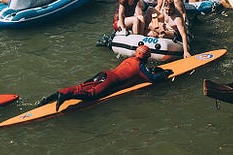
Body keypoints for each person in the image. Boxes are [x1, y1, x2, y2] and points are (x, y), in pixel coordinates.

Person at [36, 44, 169, 109]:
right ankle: (65, 96)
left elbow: (135, 71)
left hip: (104, 74)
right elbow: (152, 79)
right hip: (111, 81)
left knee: (80, 87)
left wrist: (152, 70)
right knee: (91, 95)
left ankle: (50, 98)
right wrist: (165, 73)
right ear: (146, 57)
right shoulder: (140, 67)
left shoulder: (130, 60)